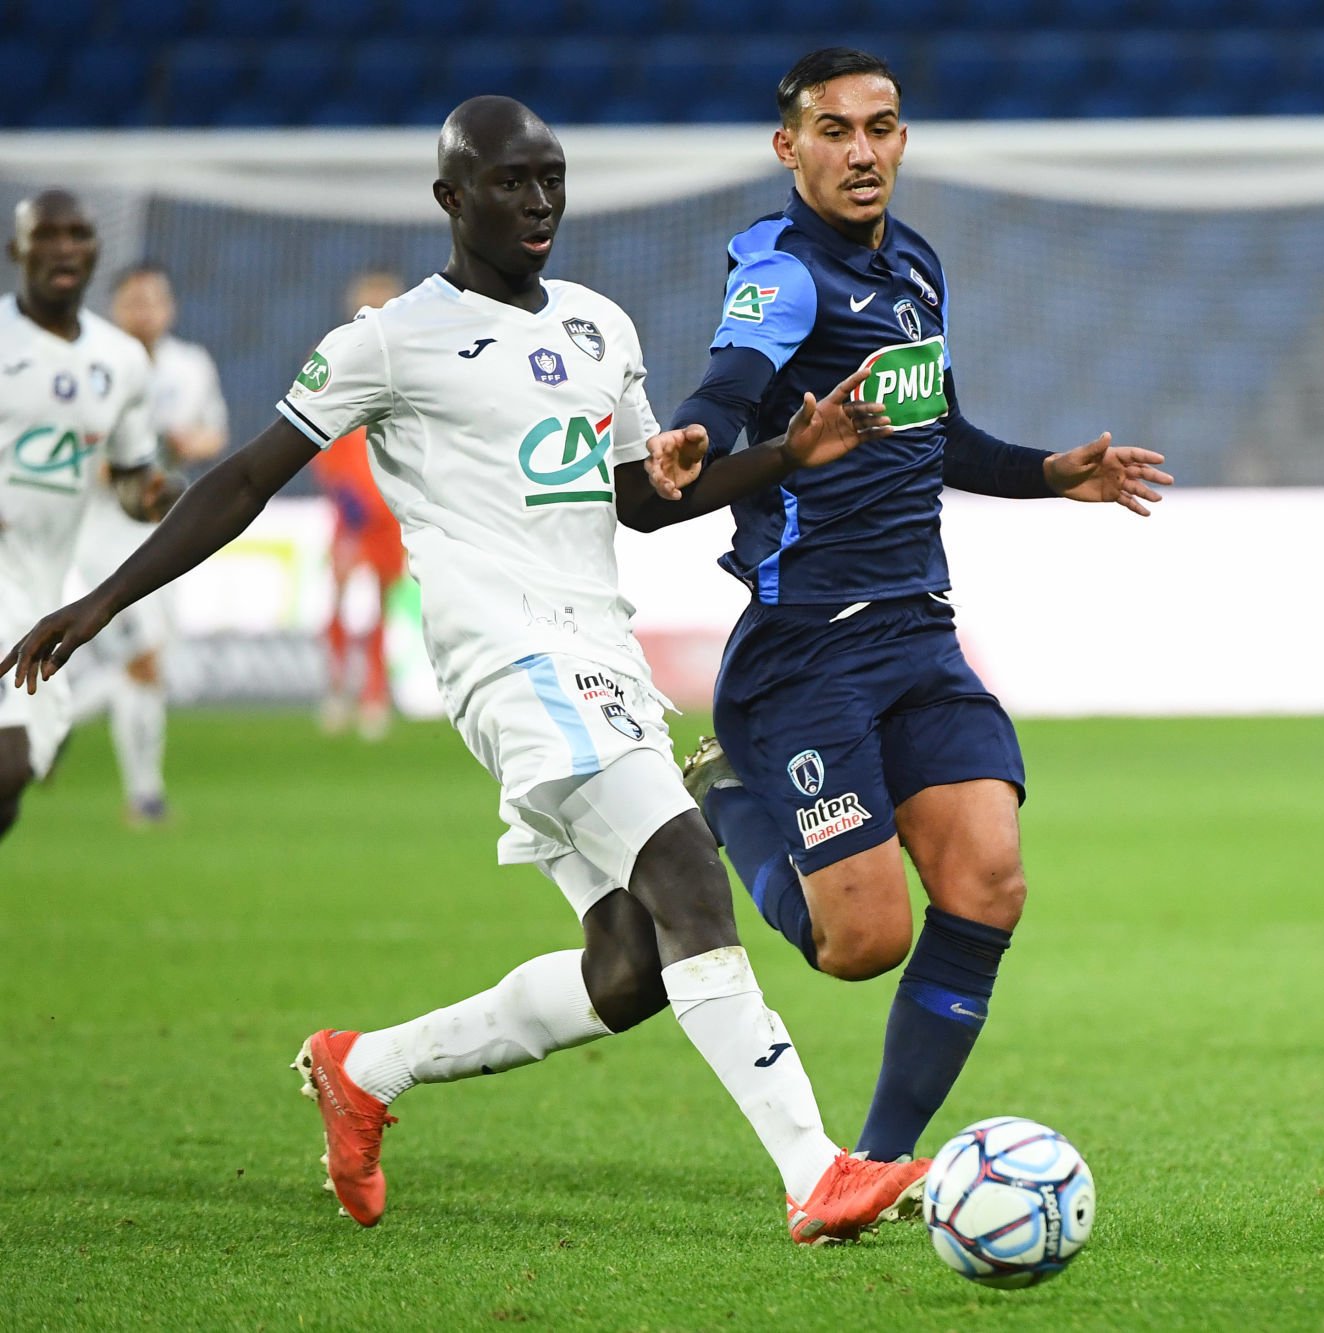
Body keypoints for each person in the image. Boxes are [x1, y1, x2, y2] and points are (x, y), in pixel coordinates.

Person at [2, 97, 928, 1243]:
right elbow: (242, 480)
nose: (538, 202)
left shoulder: (597, 325)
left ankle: (364, 1068)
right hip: (509, 656)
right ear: (451, 197)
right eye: (509, 182)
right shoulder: (389, 341)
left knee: (631, 967)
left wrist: (790, 450)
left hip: (601, 649)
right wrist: (100, 599)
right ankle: (814, 1171)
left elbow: (638, 502)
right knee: (689, 872)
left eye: (551, 179)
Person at [668, 49, 1172, 1166]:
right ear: (788, 146)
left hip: (918, 632)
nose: (863, 152)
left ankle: (877, 1164)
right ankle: (728, 795)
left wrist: (1051, 473)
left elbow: (942, 437)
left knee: (989, 881)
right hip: (806, 652)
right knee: (860, 944)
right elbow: (727, 385)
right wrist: (695, 433)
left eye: (882, 127)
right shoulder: (784, 274)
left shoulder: (915, 268)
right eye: (835, 130)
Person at [0, 191, 180, 845]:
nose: (64, 247)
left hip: (46, 588)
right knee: (9, 760)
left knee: (16, 781)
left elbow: (131, 473)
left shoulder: (121, 361)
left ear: (94, 251)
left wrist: (152, 496)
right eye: (46, 234)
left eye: (77, 234)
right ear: (17, 250)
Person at [67, 262, 228, 825]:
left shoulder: (191, 364)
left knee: (150, 665)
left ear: (170, 307)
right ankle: (135, 788)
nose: (145, 312)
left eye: (154, 300)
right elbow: (77, 450)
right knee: (141, 658)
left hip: (167, 531)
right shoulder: (92, 366)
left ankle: (139, 790)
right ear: (116, 308)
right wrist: (125, 467)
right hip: (104, 531)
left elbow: (215, 433)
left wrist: (186, 443)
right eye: (134, 301)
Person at [312, 268, 408, 740]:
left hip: (392, 513)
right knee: (340, 600)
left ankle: (374, 692)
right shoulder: (335, 359)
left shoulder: (413, 363)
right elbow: (313, 434)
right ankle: (336, 688)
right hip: (352, 513)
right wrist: (342, 490)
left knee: (381, 608)